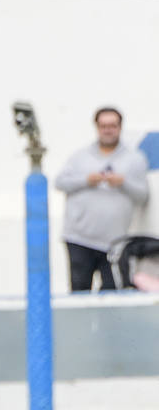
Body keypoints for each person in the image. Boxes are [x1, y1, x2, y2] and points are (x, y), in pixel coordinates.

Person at [55, 107, 150, 292]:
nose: (108, 130)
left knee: (112, 292)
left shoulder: (134, 159)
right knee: (79, 291)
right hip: (79, 239)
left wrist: (123, 182)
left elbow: (143, 196)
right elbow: (60, 182)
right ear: (97, 128)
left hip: (114, 244)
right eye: (104, 125)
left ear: (120, 127)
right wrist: (87, 180)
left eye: (112, 125)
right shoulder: (80, 157)